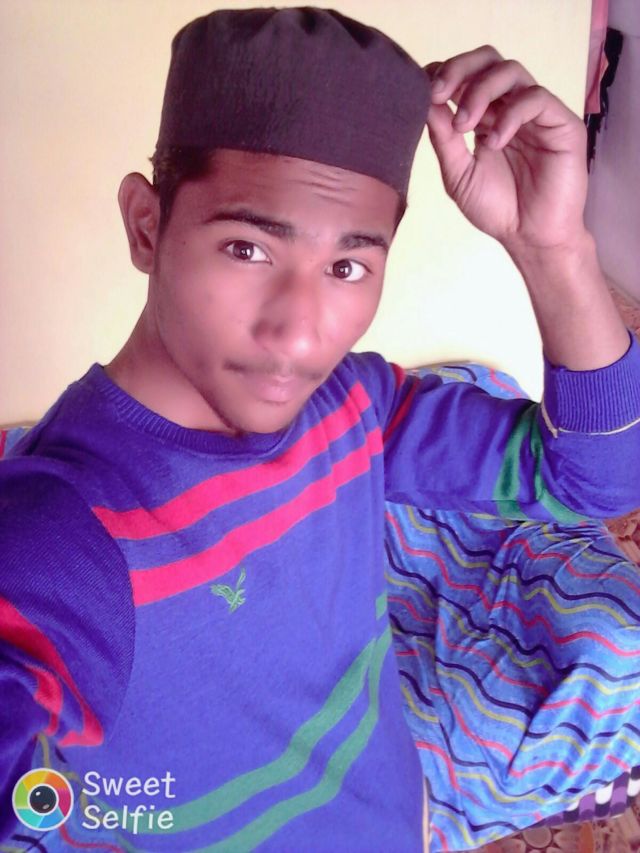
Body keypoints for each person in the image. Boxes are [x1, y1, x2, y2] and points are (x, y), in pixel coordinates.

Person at [1, 7, 639, 852]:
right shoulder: (59, 535)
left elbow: (597, 478)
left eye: (347, 265)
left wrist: (555, 249)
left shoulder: (354, 405)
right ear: (147, 225)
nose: (301, 333)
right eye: (247, 248)